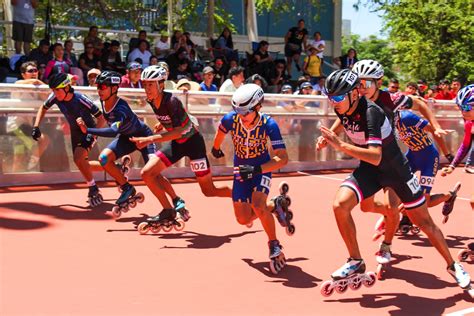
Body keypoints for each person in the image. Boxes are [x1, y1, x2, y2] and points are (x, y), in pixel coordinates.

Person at [318, 69, 471, 295]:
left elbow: (375, 155)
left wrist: (339, 145)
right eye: (330, 98)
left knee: (424, 222)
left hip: (396, 171)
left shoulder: (372, 112)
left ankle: (453, 265)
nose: (334, 103)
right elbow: (345, 127)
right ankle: (356, 260)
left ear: (353, 94)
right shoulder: (343, 108)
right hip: (371, 170)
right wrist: (328, 134)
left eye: (338, 97)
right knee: (340, 205)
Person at [129, 66, 232, 230]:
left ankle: (238, 195)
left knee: (209, 190)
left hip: (193, 144)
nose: (146, 88)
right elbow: (174, 121)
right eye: (144, 84)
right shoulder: (151, 99)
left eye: (150, 84)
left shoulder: (172, 101)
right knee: (147, 173)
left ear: (161, 84)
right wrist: (162, 124)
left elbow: (178, 131)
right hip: (177, 144)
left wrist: (149, 139)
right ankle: (168, 210)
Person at [211, 83, 293, 274]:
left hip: (261, 167)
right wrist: (216, 148)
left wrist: (256, 170)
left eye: (245, 112)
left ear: (258, 107)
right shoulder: (231, 119)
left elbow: (283, 158)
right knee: (243, 219)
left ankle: (274, 244)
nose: (241, 116)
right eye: (237, 111)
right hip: (241, 169)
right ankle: (275, 205)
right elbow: (220, 131)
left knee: (257, 204)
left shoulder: (269, 125)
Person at [75, 71, 162, 217]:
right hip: (127, 137)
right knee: (104, 159)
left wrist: (87, 130)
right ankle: (126, 187)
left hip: (143, 137)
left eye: (103, 86)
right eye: (98, 86)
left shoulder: (120, 108)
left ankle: (173, 203)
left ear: (114, 89)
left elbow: (113, 131)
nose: (99, 90)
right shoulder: (104, 101)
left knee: (153, 175)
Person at [32, 73, 107, 206]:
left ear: (67, 88)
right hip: (75, 131)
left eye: (57, 90)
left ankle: (93, 188)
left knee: (78, 159)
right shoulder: (55, 96)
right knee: (83, 163)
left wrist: (93, 134)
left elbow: (101, 118)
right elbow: (43, 108)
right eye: (53, 90)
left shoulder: (80, 99)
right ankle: (115, 168)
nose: (55, 93)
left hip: (88, 129)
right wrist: (36, 126)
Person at [441, 84, 474, 176]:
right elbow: (466, 144)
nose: (463, 112)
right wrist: (452, 166)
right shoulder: (469, 122)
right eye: (460, 107)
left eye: (466, 108)